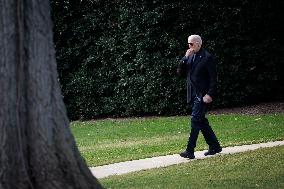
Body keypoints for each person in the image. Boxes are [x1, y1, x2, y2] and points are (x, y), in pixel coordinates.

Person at [177, 34, 222, 159]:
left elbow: (214, 79)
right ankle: (215, 146)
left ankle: (189, 151)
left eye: (191, 44)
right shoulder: (190, 56)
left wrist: (210, 94)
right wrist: (185, 58)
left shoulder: (207, 58)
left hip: (203, 96)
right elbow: (180, 72)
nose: (189, 46)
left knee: (195, 120)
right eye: (188, 44)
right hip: (192, 95)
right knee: (201, 121)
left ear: (198, 44)